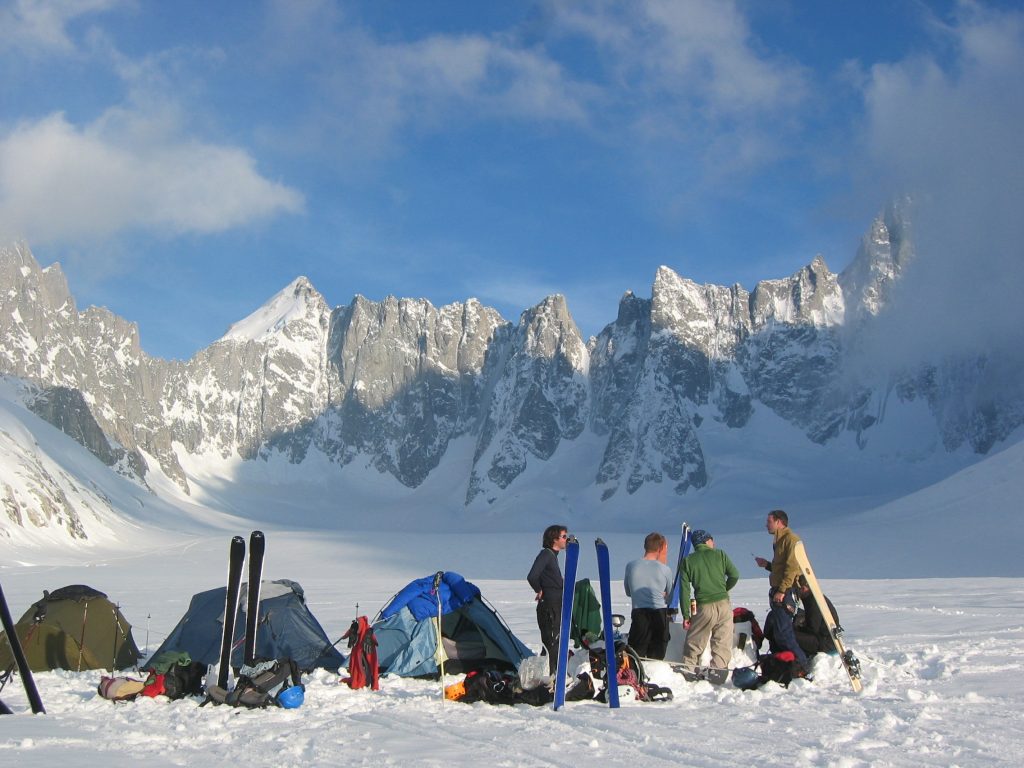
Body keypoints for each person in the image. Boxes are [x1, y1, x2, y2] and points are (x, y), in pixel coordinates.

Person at [678, 530, 739, 681]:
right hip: (724, 605)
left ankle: (689, 669)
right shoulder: (720, 555)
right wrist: (723, 589)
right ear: (706, 541)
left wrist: (686, 615)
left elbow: (684, 591)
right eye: (712, 540)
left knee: (695, 640)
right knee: (722, 640)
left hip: (704, 606)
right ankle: (718, 671)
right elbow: (735, 575)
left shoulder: (688, 561)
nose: (714, 543)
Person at [754, 510, 808, 669]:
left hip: (786, 592)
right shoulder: (779, 541)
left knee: (784, 633)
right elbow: (782, 568)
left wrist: (782, 590)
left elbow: (792, 568)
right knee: (777, 631)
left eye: (769, 521)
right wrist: (767, 565)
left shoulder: (791, 540)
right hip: (780, 590)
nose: (766, 525)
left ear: (779, 522)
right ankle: (785, 664)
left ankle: (802, 665)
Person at [623, 532, 673, 659]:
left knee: (636, 654)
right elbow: (671, 597)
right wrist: (664, 595)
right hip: (659, 614)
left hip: (639, 613)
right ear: (660, 548)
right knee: (657, 655)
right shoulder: (665, 569)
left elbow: (628, 592)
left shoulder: (631, 566)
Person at [527, 524, 567, 672]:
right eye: (563, 537)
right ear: (554, 539)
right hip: (549, 605)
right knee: (552, 640)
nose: (566, 539)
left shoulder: (552, 556)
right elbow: (532, 576)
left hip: (555, 603)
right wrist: (539, 590)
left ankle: (554, 670)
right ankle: (552, 672)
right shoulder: (546, 554)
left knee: (555, 639)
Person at [792, 577, 841, 657]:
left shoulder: (813, 601)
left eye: (796, 589)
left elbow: (813, 628)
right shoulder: (812, 597)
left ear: (804, 588)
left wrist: (798, 628)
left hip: (825, 643)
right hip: (825, 639)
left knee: (787, 635)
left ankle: (799, 662)